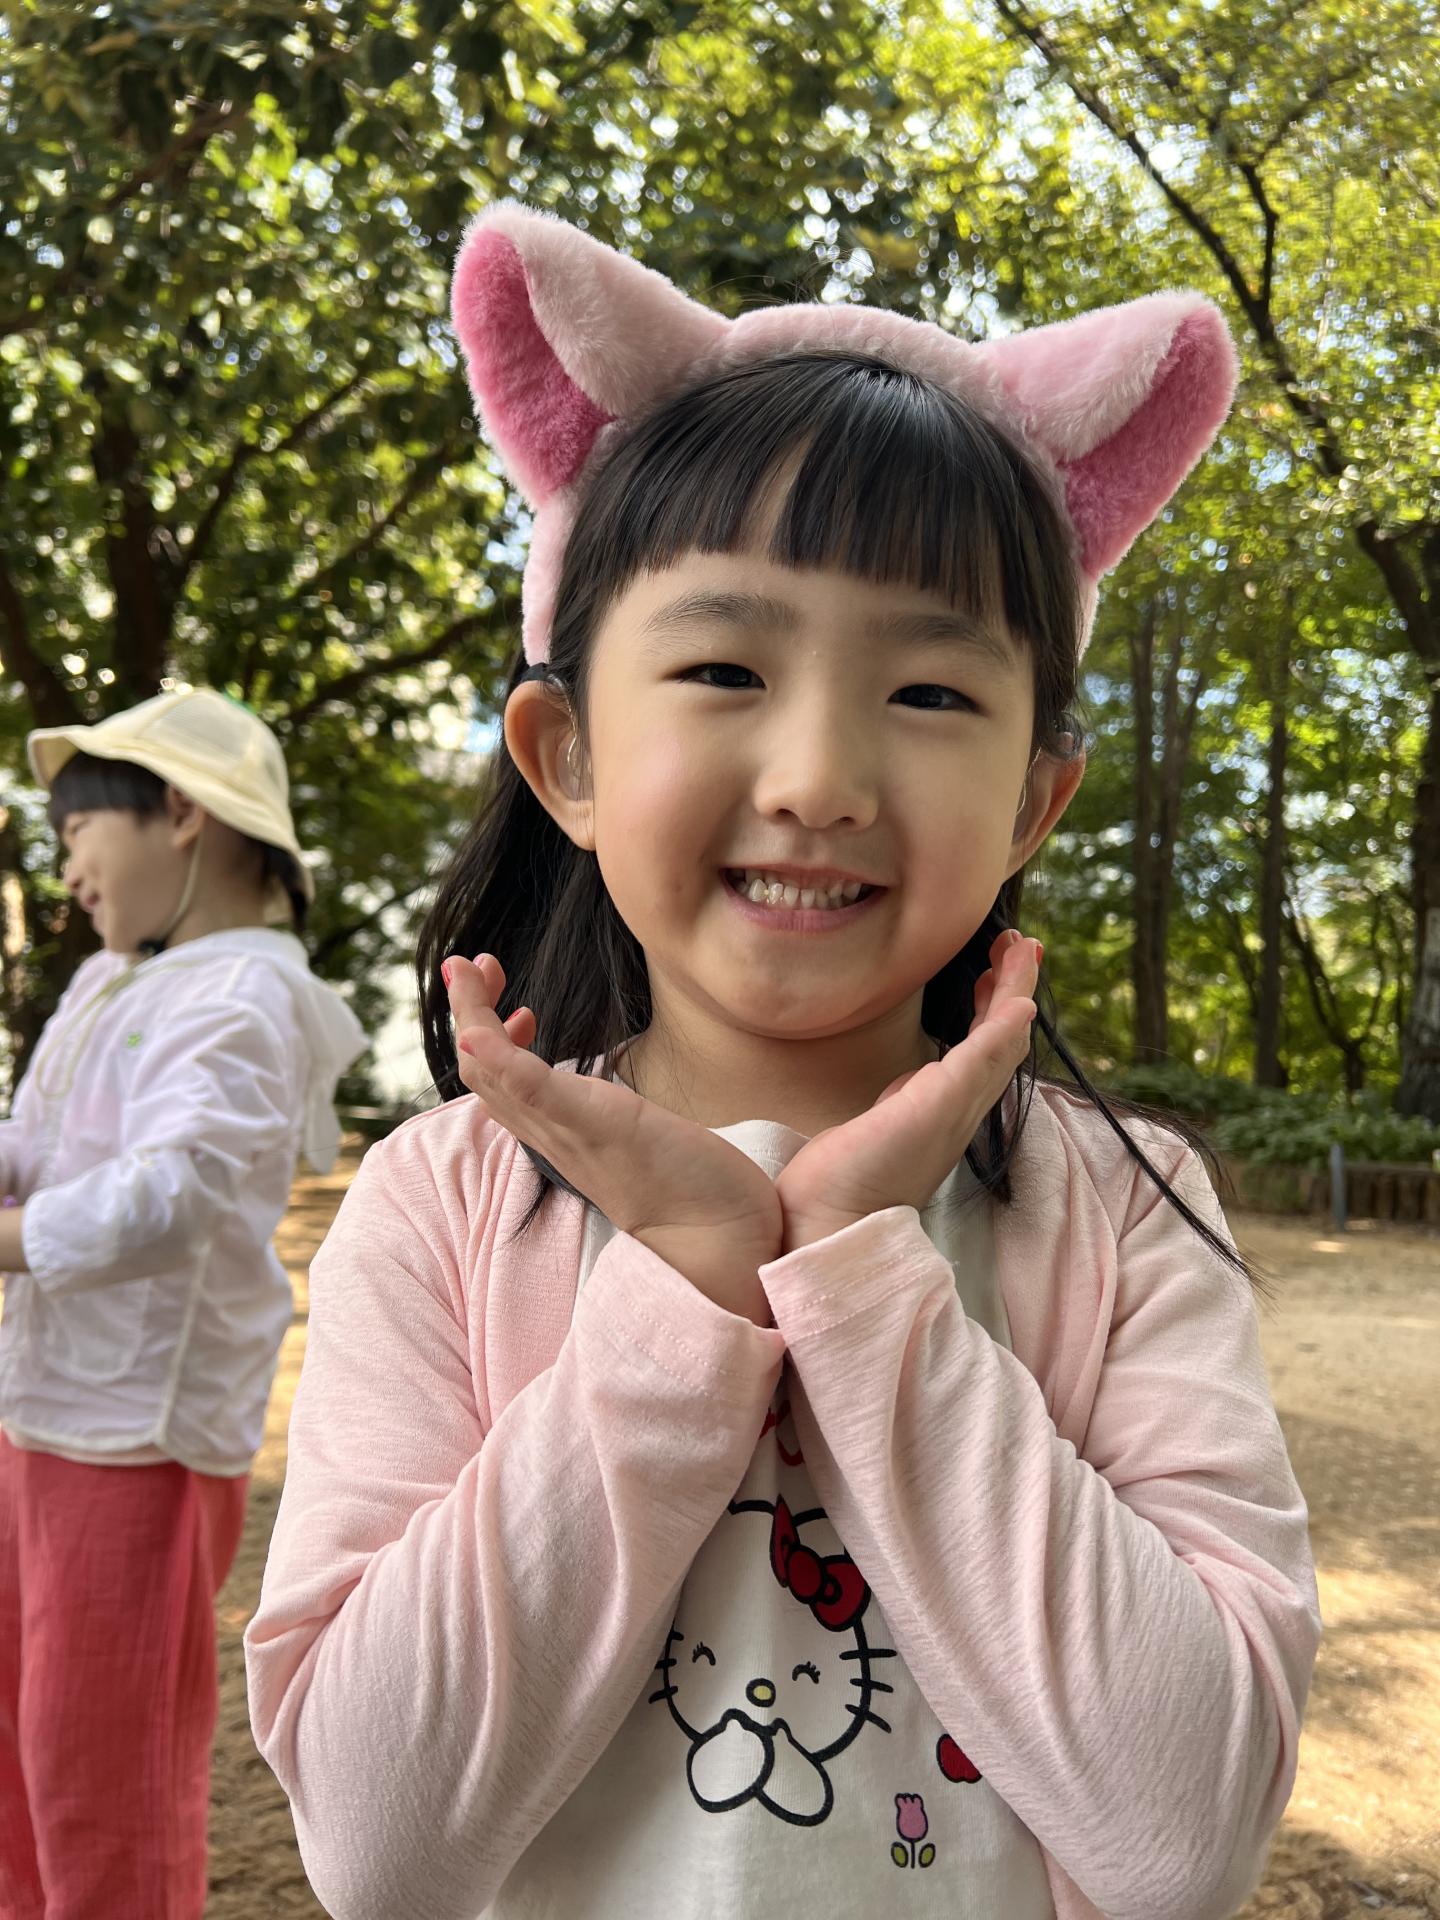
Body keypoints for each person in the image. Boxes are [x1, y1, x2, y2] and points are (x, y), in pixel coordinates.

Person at [245, 204, 1321, 1920]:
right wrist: (688, 1276)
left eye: (931, 694)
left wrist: (857, 1266)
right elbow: (380, 1844)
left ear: (1036, 800)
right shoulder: (440, 1208)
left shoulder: (1123, 1212)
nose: (819, 776)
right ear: (566, 752)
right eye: (726, 666)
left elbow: (1183, 1836)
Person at [0, 686, 367, 1920]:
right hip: (42, 1407)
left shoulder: (247, 994)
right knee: (19, 1732)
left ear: (180, 810)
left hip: (140, 1438)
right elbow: (39, 1142)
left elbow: (179, 1191)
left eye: (76, 834)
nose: (68, 872)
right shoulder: (109, 980)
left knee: (99, 1762)